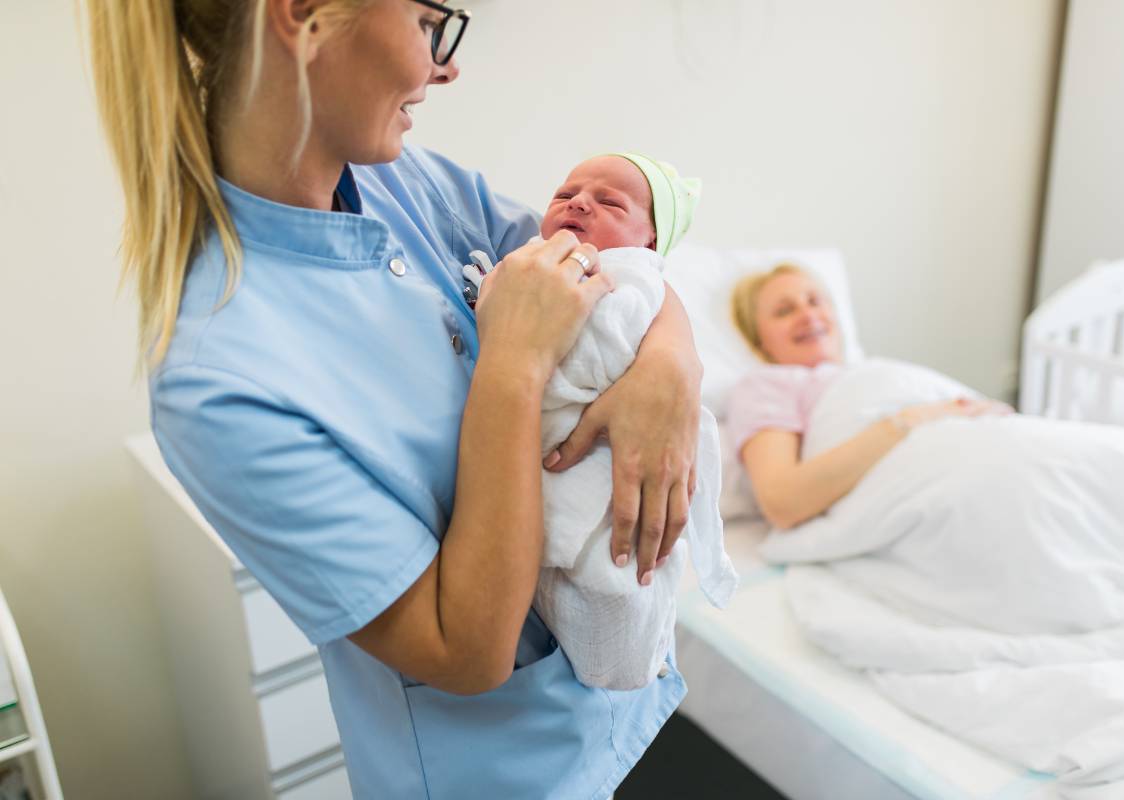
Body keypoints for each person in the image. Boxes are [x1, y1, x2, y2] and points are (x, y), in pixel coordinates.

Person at [84, 0, 704, 796]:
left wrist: (671, 365)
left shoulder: (405, 180)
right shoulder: (217, 384)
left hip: (623, 708)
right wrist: (512, 367)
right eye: (426, 22)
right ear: (302, 15)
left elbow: (619, 270)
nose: (445, 66)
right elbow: (465, 649)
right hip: (508, 772)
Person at [520, 153, 735, 690]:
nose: (578, 201)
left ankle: (627, 666)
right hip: (538, 470)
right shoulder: (528, 255)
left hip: (605, 460)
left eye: (610, 201)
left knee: (617, 574)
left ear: (649, 243)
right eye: (565, 192)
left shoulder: (631, 277)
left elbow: (603, 345)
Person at [727, 264, 1010, 529]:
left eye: (815, 301)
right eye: (785, 310)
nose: (808, 314)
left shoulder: (874, 371)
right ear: (758, 338)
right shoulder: (766, 384)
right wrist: (907, 421)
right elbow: (782, 502)